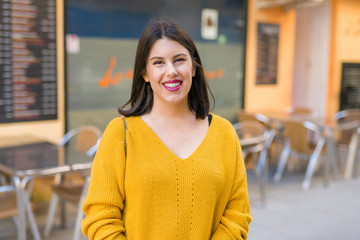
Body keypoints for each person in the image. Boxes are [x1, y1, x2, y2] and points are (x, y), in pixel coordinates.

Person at [81, 17, 252, 239]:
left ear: (193, 67)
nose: (171, 71)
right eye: (158, 62)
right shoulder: (120, 134)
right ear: (145, 73)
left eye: (179, 60)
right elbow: (100, 218)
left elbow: (237, 215)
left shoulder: (224, 133)